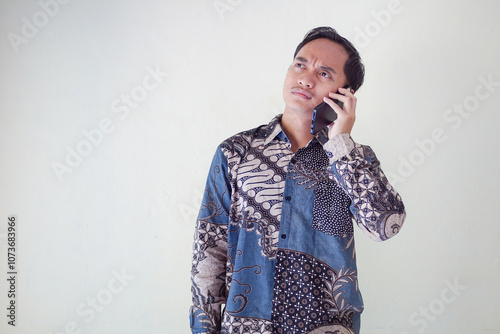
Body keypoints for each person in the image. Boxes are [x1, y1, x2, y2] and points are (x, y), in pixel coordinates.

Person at [189, 26, 406, 334]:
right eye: (301, 64)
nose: (306, 78)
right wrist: (203, 327)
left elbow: (386, 225)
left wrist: (341, 142)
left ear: (345, 94)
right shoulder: (235, 152)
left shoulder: (353, 159)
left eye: (325, 73)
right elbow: (209, 248)